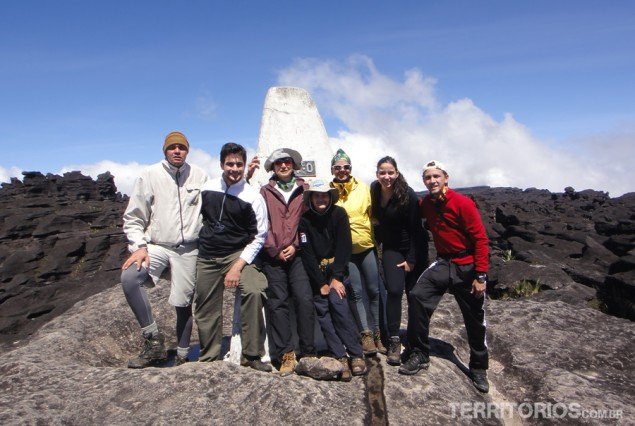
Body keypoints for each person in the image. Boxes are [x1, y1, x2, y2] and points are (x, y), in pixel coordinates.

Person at [401, 160, 490, 394]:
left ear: (446, 178)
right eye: (428, 178)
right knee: (418, 296)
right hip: (443, 262)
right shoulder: (426, 204)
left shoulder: (462, 203)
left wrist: (480, 275)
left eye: (436, 176)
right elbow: (409, 214)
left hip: (466, 264)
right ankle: (420, 352)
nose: (432, 181)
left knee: (474, 317)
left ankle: (479, 367)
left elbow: (480, 239)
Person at [121, 131, 208, 368]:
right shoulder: (149, 175)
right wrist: (138, 247)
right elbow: (134, 217)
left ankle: (181, 355)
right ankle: (153, 340)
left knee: (183, 303)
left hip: (189, 249)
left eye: (182, 147)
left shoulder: (200, 175)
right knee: (130, 277)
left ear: (187, 150)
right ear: (165, 151)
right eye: (172, 147)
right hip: (157, 245)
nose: (177, 151)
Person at [194, 142, 271, 372]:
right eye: (230, 163)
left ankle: (252, 354)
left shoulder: (252, 197)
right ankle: (209, 357)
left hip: (238, 254)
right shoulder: (207, 189)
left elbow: (260, 236)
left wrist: (237, 267)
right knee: (205, 306)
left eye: (239, 164)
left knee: (254, 290)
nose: (234, 168)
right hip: (208, 254)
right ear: (221, 164)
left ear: (244, 165)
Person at [299, 179, 368, 381]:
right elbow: (307, 254)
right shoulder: (305, 220)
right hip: (317, 275)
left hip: (337, 271)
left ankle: (356, 354)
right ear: (311, 198)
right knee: (323, 313)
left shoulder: (338, 214)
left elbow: (344, 245)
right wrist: (321, 282)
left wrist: (336, 278)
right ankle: (339, 355)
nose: (321, 199)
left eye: (324, 195)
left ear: (330, 197)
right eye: (316, 195)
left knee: (339, 306)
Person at [255, 148, 316, 375]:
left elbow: (308, 221)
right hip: (273, 256)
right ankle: (286, 354)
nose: (283, 166)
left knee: (304, 298)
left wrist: (296, 245)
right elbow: (262, 224)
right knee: (277, 303)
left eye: (287, 162)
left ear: (293, 165)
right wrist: (274, 249)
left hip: (297, 253)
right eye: (279, 163)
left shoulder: (304, 190)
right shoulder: (265, 192)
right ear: (273, 167)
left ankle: (308, 351)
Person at [370, 156, 427, 366]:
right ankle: (394, 338)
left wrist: (411, 260)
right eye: (382, 172)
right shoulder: (374, 191)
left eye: (390, 172)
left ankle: (416, 342)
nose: (387, 177)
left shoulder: (407, 194)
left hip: (413, 249)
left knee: (414, 296)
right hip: (392, 249)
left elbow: (417, 229)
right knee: (394, 291)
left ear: (397, 173)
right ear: (377, 174)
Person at [330, 149, 383, 356]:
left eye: (346, 167)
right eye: (337, 167)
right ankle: (366, 334)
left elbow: (374, 213)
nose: (342, 170)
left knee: (375, 290)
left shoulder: (363, 188)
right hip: (346, 251)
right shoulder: (329, 191)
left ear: (350, 169)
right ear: (332, 170)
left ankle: (379, 333)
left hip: (366, 245)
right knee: (356, 292)